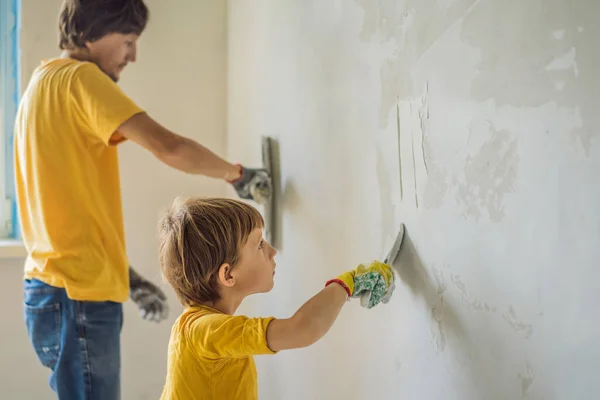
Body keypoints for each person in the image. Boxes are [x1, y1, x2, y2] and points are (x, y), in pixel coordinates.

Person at [14, 0, 270, 398]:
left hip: (52, 291)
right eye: (128, 40)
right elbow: (168, 146)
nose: (132, 55)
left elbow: (65, 210)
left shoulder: (39, 86)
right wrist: (236, 175)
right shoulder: (80, 79)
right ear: (90, 33)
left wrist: (128, 279)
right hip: (76, 296)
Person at [158, 197, 395, 400]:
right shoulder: (205, 331)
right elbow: (302, 329)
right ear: (228, 274)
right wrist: (347, 284)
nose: (272, 251)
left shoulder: (199, 329)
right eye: (259, 244)